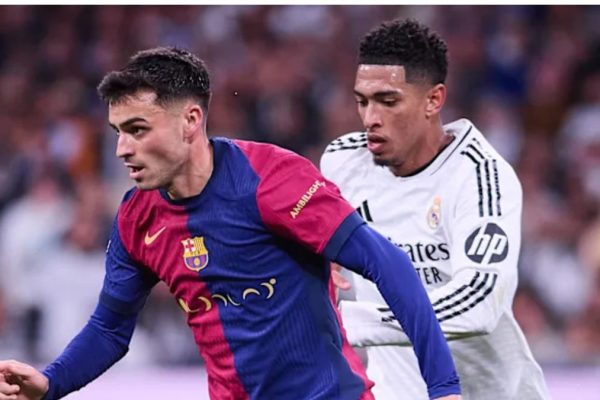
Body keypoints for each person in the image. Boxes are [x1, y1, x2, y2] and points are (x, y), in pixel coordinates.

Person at [0, 47, 461, 400]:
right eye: (118, 132)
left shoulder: (272, 179)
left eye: (138, 130)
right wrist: (51, 382)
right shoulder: (136, 218)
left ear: (190, 121)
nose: (122, 149)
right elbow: (109, 330)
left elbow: (388, 264)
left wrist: (443, 389)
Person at [320, 19, 550, 400]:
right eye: (363, 101)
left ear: (434, 100)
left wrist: (357, 322)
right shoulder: (342, 162)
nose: (370, 118)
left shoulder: (480, 177)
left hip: (487, 392)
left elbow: (479, 301)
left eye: (388, 101)